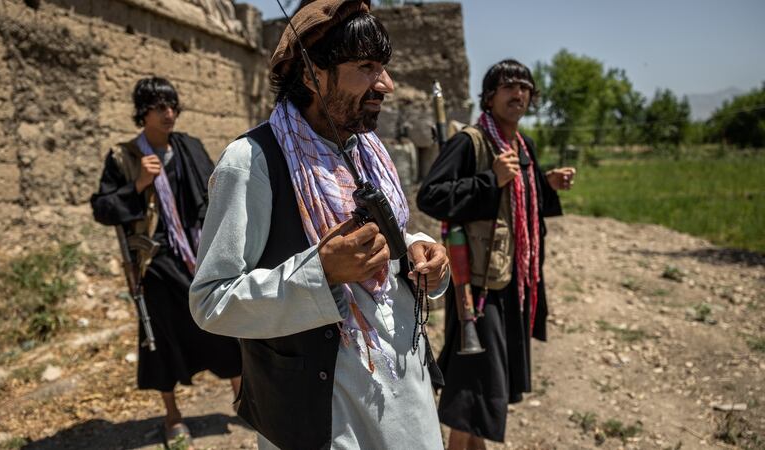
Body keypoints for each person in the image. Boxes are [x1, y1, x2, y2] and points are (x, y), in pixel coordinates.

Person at [189, 1, 450, 449]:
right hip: (325, 415)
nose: (385, 84)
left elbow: (385, 239)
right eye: (367, 67)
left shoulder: (366, 150)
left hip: (404, 389)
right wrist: (320, 274)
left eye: (384, 67)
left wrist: (420, 248)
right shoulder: (250, 163)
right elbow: (211, 301)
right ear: (312, 74)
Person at [417, 59, 576, 449]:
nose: (518, 93)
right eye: (508, 86)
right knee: (475, 383)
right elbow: (432, 196)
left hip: (513, 282)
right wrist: (490, 180)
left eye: (524, 87)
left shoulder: (523, 146)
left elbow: (523, 200)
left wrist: (546, 183)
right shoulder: (469, 142)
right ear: (490, 97)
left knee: (487, 385)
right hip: (476, 284)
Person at [90, 77, 242, 448]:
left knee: (225, 325)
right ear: (143, 112)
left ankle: (243, 399)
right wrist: (139, 184)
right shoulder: (123, 157)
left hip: (199, 254)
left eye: (173, 105)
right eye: (160, 107)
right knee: (162, 340)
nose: (169, 113)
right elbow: (103, 208)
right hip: (156, 263)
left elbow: (215, 191)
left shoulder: (188, 147)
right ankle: (172, 415)